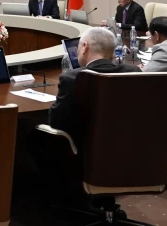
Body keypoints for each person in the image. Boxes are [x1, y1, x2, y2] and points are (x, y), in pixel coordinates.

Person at [29, 27, 141, 201]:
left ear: (85, 47)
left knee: (35, 136)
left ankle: (66, 194)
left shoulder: (73, 78)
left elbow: (56, 122)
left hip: (83, 156)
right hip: (126, 152)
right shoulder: (133, 73)